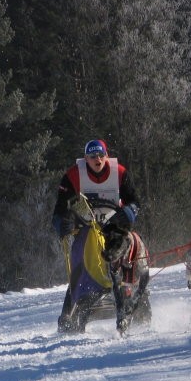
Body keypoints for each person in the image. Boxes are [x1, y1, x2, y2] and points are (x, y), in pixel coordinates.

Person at [52, 139, 140, 332]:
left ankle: (135, 293)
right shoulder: (73, 175)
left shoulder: (120, 173)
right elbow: (59, 211)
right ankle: (70, 311)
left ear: (106, 156)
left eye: (101, 155)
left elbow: (135, 202)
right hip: (87, 228)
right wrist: (63, 223)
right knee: (80, 257)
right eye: (92, 156)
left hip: (113, 225)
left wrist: (128, 212)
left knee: (129, 250)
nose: (97, 159)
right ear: (86, 159)